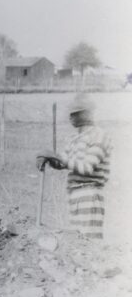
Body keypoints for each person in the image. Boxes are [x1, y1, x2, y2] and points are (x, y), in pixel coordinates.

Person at [37, 94, 111, 239]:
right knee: (77, 242)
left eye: (75, 113)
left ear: (87, 113)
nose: (70, 117)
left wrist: (56, 156)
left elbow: (87, 167)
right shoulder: (74, 139)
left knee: (89, 243)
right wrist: (47, 158)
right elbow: (62, 163)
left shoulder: (99, 135)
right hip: (74, 194)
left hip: (89, 193)